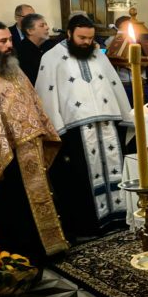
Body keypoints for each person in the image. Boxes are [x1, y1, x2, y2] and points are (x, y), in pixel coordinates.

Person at [0, 21, 68, 264]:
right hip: (5, 158)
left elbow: (33, 103)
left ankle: (46, 249)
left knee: (39, 202)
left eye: (10, 39)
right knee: (14, 209)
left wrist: (42, 133)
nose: (9, 45)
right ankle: (21, 258)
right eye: (3, 41)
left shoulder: (14, 69)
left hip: (30, 150)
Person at [35, 14, 134, 239]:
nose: (87, 42)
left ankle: (117, 218)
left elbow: (113, 85)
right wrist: (55, 129)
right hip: (75, 131)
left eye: (90, 38)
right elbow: (46, 94)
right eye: (82, 38)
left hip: (107, 126)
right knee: (81, 179)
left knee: (114, 170)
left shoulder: (98, 55)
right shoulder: (51, 58)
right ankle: (89, 227)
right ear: (69, 34)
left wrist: (124, 115)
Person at [16, 12, 53, 84]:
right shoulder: (21, 51)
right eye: (42, 26)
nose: (47, 28)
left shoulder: (50, 45)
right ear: (30, 31)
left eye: (46, 24)